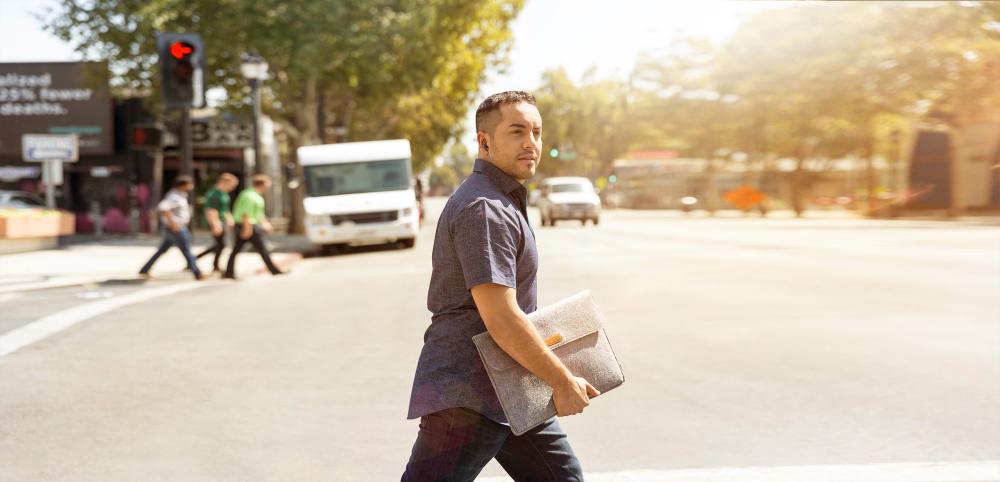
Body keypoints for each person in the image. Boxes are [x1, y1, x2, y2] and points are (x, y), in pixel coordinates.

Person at [402, 91, 597, 481]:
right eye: (517, 131)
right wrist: (561, 379)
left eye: (537, 132)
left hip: (509, 386)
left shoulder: (500, 200)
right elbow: (502, 318)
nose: (531, 143)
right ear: (484, 141)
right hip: (469, 396)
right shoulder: (485, 209)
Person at [139, 175, 203, 281]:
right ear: (183, 185)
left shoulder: (180, 195)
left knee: (162, 250)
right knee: (187, 250)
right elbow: (163, 208)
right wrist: (173, 223)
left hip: (174, 228)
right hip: (177, 229)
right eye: (190, 183)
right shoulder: (174, 196)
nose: (192, 186)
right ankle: (197, 273)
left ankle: (145, 269)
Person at [223, 174, 285, 280]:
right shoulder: (249, 195)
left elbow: (258, 213)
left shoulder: (255, 195)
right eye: (267, 184)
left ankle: (229, 272)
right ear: (262, 184)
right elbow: (246, 214)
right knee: (261, 249)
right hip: (247, 225)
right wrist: (247, 228)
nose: (268, 187)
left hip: (251, 225)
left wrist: (265, 223)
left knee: (239, 249)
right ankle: (274, 270)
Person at [194, 173, 238, 273]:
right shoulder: (214, 194)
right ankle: (213, 265)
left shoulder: (224, 193)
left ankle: (195, 259)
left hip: (221, 221)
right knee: (221, 244)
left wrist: (230, 219)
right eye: (232, 184)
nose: (233, 187)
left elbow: (225, 209)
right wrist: (215, 224)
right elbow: (211, 210)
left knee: (220, 244)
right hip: (215, 221)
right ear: (225, 182)